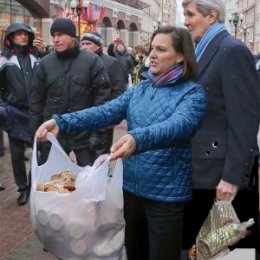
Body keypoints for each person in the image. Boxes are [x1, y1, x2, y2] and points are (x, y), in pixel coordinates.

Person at [35, 26, 207, 260]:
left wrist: (137, 138)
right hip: (131, 191)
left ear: (180, 56)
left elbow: (179, 126)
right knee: (134, 252)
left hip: (165, 196)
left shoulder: (193, 94)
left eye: (161, 49)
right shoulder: (141, 89)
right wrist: (62, 122)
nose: (152, 54)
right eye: (151, 48)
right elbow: (106, 111)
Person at [181, 0, 260, 252]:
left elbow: (245, 118)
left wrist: (232, 177)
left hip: (223, 178)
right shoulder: (203, 49)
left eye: (190, 14)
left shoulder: (231, 50)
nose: (186, 21)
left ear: (211, 16)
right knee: (203, 250)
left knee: (230, 250)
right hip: (203, 171)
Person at [30, 18, 111, 167]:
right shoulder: (45, 64)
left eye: (60, 35)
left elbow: (102, 98)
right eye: (54, 35)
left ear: (72, 36)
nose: (56, 39)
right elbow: (36, 100)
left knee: (88, 178)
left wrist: (98, 132)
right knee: (51, 180)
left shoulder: (91, 61)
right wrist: (35, 133)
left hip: (84, 132)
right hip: (53, 133)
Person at [0, 23, 47, 205]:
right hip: (14, 113)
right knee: (17, 155)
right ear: (10, 38)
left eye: (25, 34)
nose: (23, 37)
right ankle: (22, 188)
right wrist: (4, 104)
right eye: (18, 34)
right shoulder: (4, 60)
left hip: (36, 113)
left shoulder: (35, 57)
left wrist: (43, 54)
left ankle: (32, 184)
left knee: (38, 152)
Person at [80, 31, 125, 161]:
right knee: (85, 161)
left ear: (98, 46)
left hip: (103, 119)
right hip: (82, 119)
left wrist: (113, 118)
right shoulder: (80, 62)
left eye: (88, 43)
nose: (84, 47)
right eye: (82, 43)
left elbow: (118, 92)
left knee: (100, 160)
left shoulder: (111, 63)